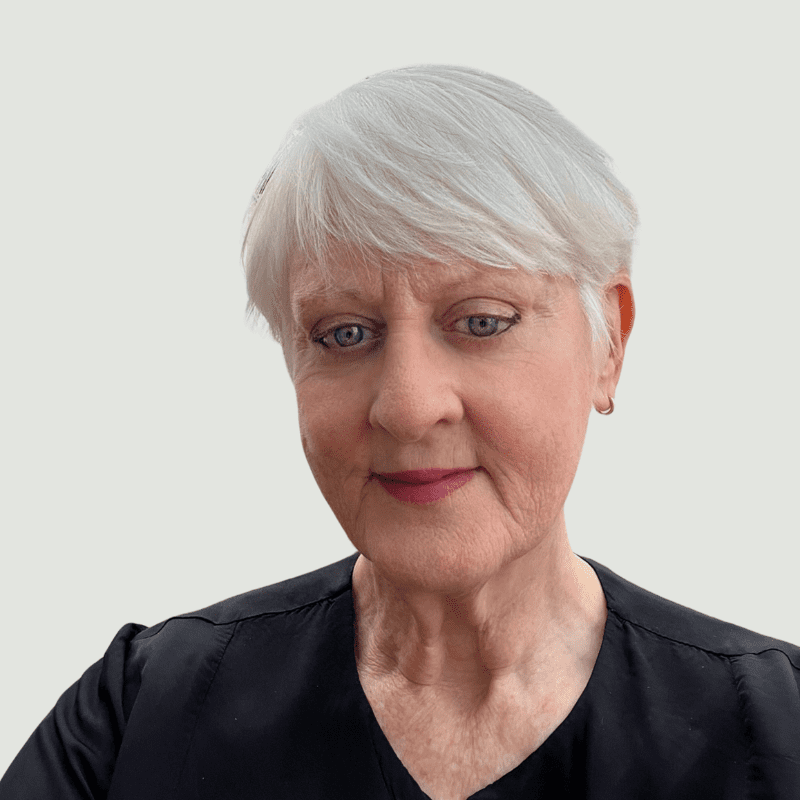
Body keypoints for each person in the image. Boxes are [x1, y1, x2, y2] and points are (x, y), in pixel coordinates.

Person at [1, 64, 798, 800]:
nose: (409, 407)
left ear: (609, 343)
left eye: (482, 321)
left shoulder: (779, 731)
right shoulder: (139, 719)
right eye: (345, 334)